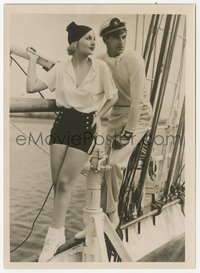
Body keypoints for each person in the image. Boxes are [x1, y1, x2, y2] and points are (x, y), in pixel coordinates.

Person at [26, 21, 118, 262]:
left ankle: (53, 236)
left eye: (94, 39)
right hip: (62, 124)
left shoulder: (100, 68)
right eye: (88, 38)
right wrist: (33, 61)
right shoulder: (61, 68)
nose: (93, 42)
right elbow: (31, 87)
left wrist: (98, 115)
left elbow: (113, 96)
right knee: (58, 183)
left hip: (85, 125)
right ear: (75, 43)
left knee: (66, 183)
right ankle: (60, 230)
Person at [98, 17, 153, 228]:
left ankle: (112, 215)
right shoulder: (100, 60)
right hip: (116, 114)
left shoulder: (135, 60)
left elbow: (138, 101)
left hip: (139, 116)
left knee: (114, 163)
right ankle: (99, 213)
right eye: (115, 38)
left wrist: (128, 133)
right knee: (103, 164)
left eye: (123, 36)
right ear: (105, 40)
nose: (121, 42)